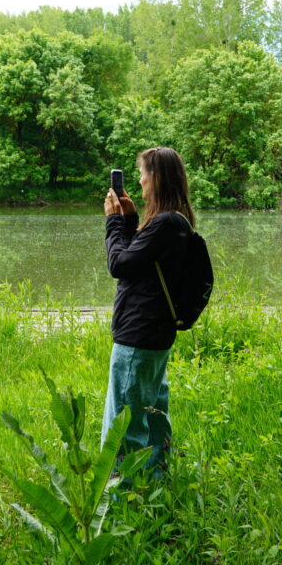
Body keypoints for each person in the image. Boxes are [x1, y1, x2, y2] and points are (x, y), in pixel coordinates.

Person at [101, 146, 195, 472]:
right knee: (153, 412)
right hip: (156, 334)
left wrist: (113, 222)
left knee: (124, 422)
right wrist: (128, 220)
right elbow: (139, 262)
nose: (139, 181)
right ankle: (156, 481)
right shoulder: (176, 221)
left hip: (138, 338)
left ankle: (121, 499)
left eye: (143, 173)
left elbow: (119, 264)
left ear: (155, 177)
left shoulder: (164, 224)